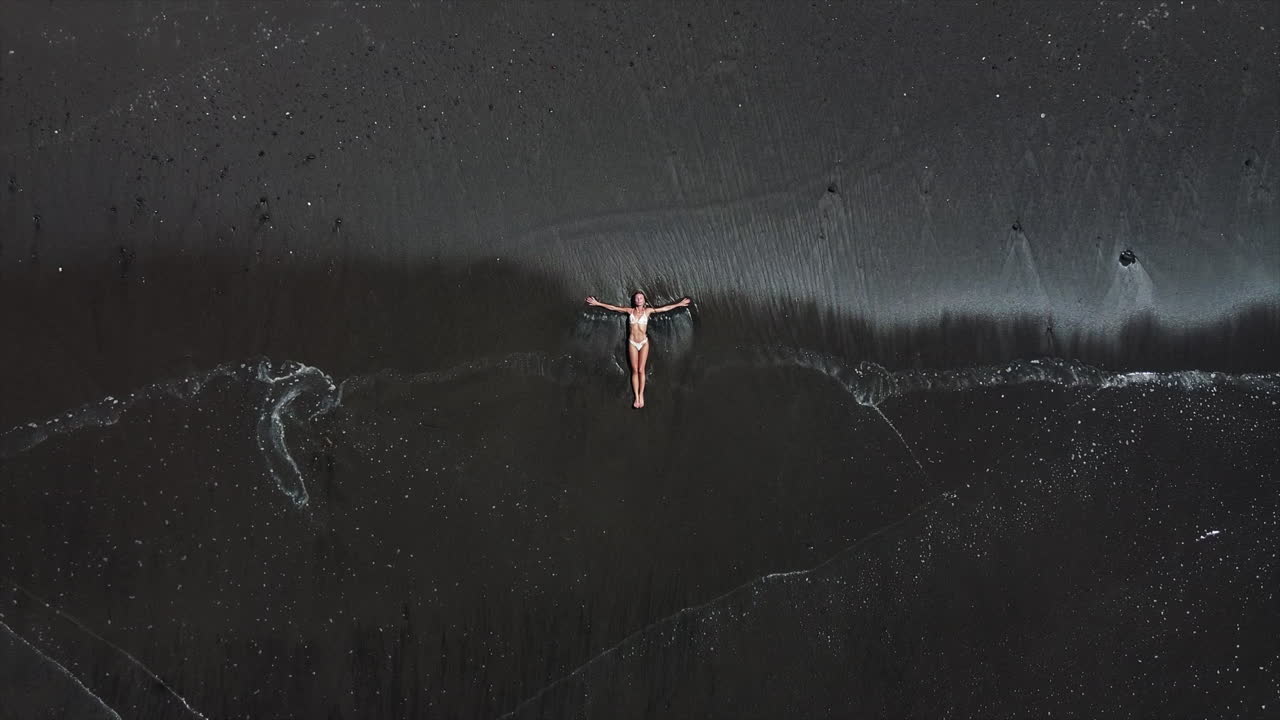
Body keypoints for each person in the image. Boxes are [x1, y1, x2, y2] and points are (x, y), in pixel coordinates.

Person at [585, 291, 692, 408]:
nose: (639, 300)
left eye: (641, 298)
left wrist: (679, 304)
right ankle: (636, 396)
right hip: (632, 343)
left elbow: (664, 309)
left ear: (644, 300)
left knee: (641, 369)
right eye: (637, 298)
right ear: (634, 301)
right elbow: (613, 308)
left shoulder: (648, 311)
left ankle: (641, 395)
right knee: (635, 370)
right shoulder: (630, 311)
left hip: (644, 343)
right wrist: (597, 303)